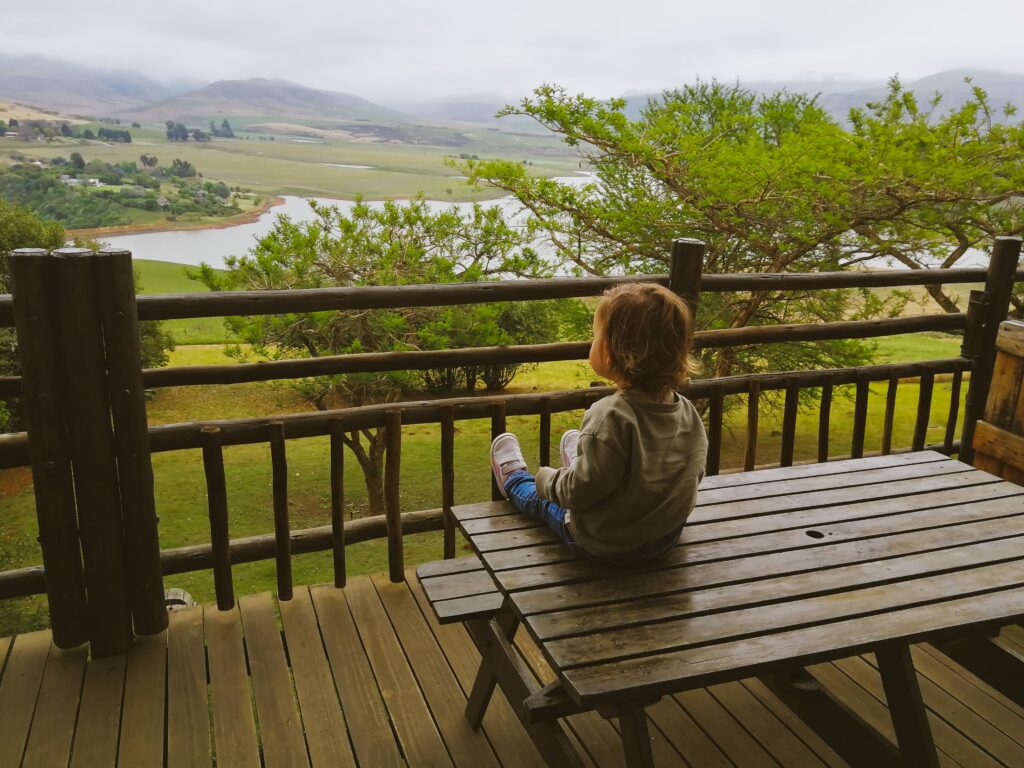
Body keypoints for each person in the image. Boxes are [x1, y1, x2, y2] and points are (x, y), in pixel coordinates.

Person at [490, 282, 708, 561]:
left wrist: (546, 478)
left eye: (595, 336)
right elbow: (693, 473)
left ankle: (514, 478)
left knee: (541, 501)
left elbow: (578, 492)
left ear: (615, 350)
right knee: (598, 468)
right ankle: (588, 460)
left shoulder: (610, 416)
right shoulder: (687, 411)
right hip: (664, 536)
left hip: (607, 542)